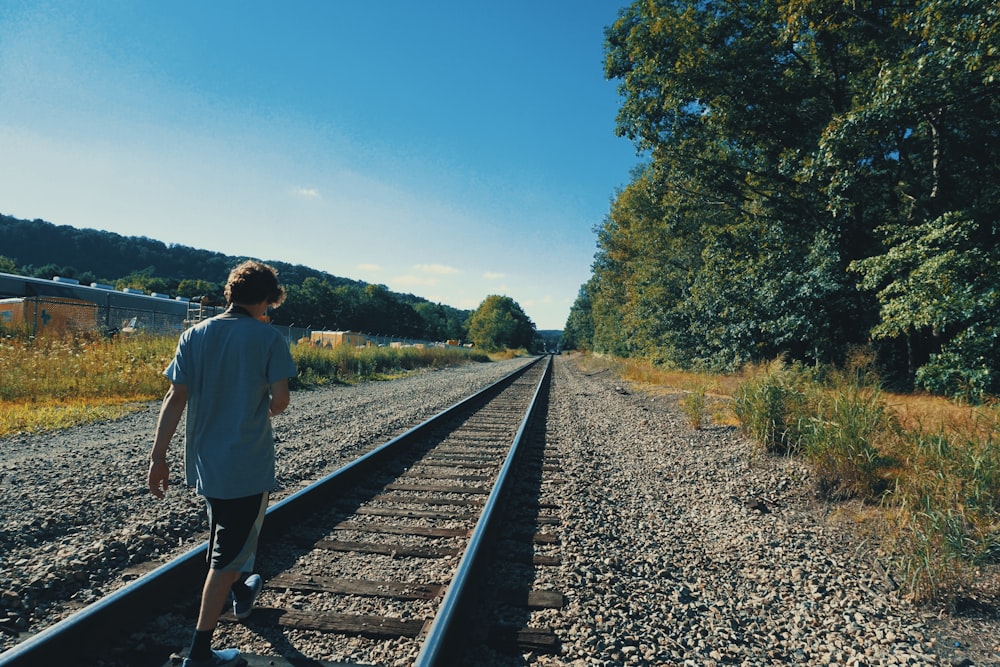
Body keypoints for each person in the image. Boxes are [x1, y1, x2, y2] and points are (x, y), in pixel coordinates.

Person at [148, 260, 298, 667]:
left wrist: (158, 458)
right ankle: (200, 652)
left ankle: (244, 589)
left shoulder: (194, 335)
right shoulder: (268, 339)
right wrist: (263, 406)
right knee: (226, 554)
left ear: (231, 294)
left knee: (228, 534)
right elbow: (280, 401)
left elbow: (174, 398)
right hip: (246, 463)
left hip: (205, 464)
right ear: (267, 299)